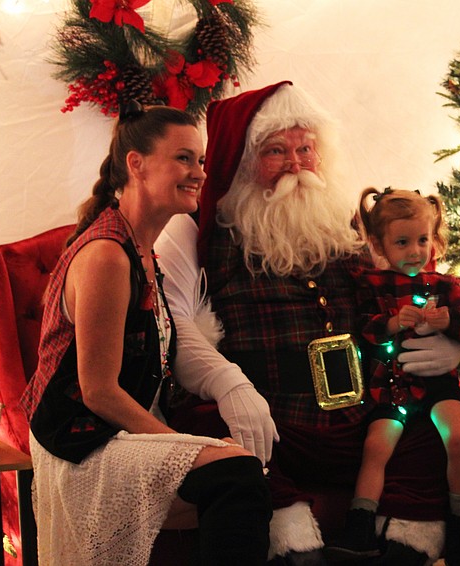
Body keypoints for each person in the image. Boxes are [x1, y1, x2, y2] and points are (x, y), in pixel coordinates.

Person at [155, 81, 460, 565]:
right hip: (273, 414)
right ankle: (295, 544)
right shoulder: (203, 231)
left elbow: (414, 286)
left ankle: (402, 548)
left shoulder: (346, 228)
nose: (296, 164)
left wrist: (455, 340)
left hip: (358, 413)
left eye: (306, 149)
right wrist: (230, 388)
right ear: (243, 162)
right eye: (276, 151)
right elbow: (175, 327)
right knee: (217, 434)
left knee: (429, 424)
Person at [20, 103, 272, 565]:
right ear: (136, 164)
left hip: (115, 434)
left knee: (242, 471)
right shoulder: (107, 255)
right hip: (78, 445)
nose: (199, 172)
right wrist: (181, 444)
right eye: (183, 158)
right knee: (235, 476)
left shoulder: (143, 251)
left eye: (200, 160)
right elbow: (98, 391)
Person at [324, 187, 460, 565]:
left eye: (422, 240)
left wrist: (450, 321)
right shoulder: (372, 285)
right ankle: (360, 523)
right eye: (402, 242)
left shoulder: (445, 286)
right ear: (379, 244)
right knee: (376, 447)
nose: (415, 251)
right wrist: (393, 323)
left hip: (439, 380)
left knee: (458, 436)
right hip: (392, 383)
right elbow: (364, 331)